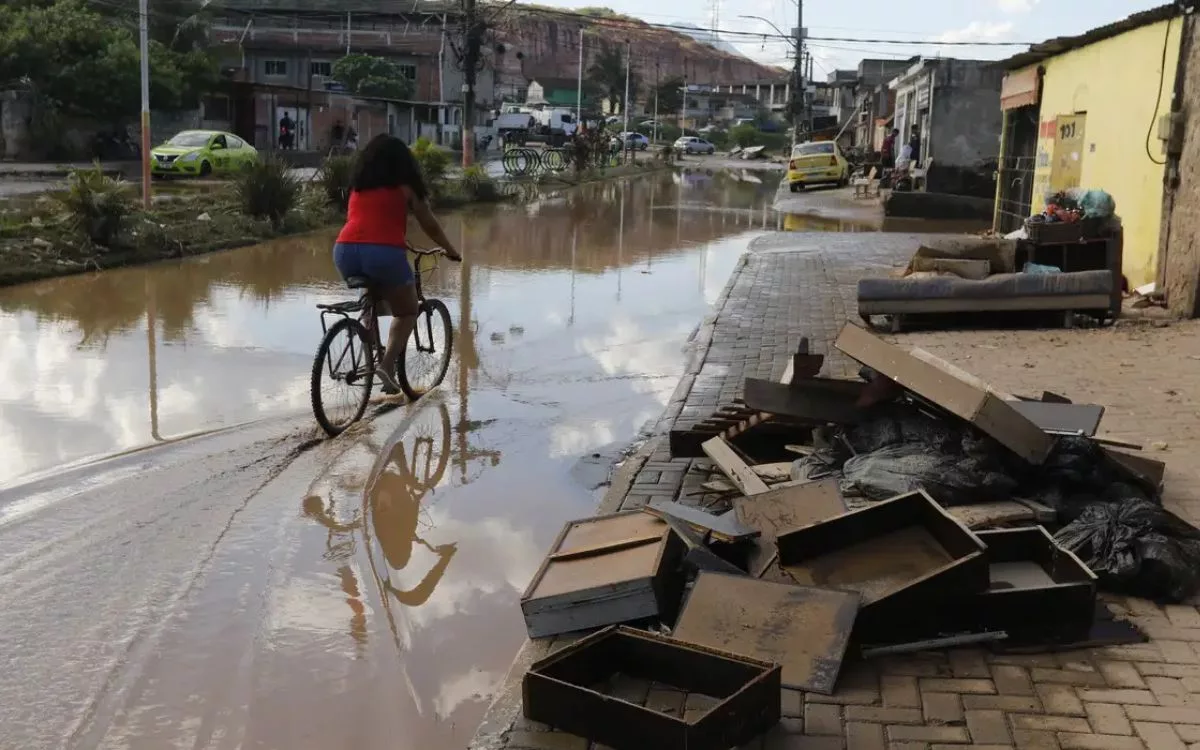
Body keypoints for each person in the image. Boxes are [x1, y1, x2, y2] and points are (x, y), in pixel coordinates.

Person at [332, 134, 463, 395]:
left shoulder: (359, 187)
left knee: (372, 297)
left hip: (344, 250)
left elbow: (366, 222)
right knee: (407, 311)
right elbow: (430, 225)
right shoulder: (406, 188)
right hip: (383, 253)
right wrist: (451, 251)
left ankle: (368, 337)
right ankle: (386, 365)